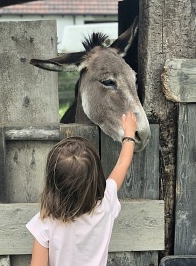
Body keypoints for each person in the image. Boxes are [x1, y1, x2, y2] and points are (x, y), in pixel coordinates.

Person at [26, 112, 137, 266]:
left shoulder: (46, 220)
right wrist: (129, 133)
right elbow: (122, 164)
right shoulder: (106, 201)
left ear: (53, 183)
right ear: (96, 176)